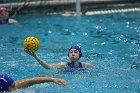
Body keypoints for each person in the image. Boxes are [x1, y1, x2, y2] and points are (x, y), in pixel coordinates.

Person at [25, 45, 95, 69]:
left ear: (80, 55)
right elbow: (48, 67)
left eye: (75, 52)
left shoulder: (86, 65)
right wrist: (35, 56)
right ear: (68, 55)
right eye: (71, 52)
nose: (73, 54)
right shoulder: (63, 65)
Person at [0, 74, 67, 92]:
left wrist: (53, 79)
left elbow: (33, 80)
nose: (15, 87)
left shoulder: (16, 85)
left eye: (14, 84)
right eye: (12, 87)